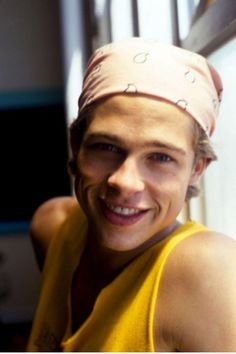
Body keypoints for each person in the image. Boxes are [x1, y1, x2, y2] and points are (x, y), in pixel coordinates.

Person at [27, 37, 236, 352]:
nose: (125, 182)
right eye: (107, 148)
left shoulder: (212, 274)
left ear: (196, 168)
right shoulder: (52, 228)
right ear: (76, 145)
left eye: (161, 157)